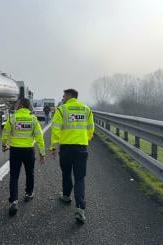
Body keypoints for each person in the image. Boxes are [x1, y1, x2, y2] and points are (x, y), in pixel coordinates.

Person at [49, 88, 94, 224]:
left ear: (69, 96)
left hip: (67, 148)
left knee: (67, 173)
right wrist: (84, 140)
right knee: (80, 178)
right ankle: (80, 208)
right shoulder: (86, 109)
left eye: (64, 95)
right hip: (81, 148)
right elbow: (91, 129)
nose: (62, 98)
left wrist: (52, 147)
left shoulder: (62, 110)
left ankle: (67, 196)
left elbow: (55, 129)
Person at [1, 98, 46, 216]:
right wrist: (42, 153)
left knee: (14, 176)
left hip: (15, 150)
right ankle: (29, 194)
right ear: (28, 106)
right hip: (28, 151)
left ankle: (14, 201)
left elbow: (5, 133)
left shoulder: (12, 118)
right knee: (29, 173)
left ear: (20, 105)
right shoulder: (33, 119)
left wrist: (4, 144)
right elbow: (39, 137)